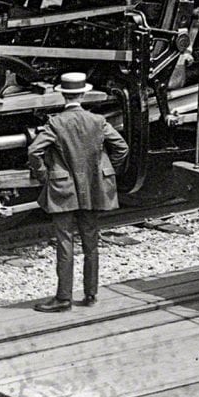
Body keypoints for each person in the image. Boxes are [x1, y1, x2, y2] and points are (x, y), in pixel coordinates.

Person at [27, 71, 129, 313]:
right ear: (83, 94)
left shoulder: (56, 123)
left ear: (63, 95)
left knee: (65, 242)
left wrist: (45, 175)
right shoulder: (98, 121)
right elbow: (121, 148)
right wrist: (105, 171)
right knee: (91, 241)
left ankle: (63, 298)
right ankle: (91, 293)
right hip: (94, 188)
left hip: (63, 190)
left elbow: (34, 151)